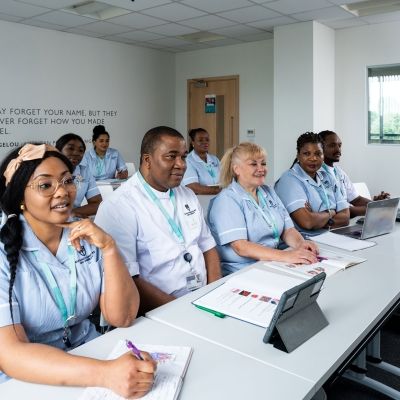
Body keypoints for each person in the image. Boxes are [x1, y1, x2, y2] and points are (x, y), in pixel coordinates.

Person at [0, 143, 155, 397]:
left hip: (91, 354)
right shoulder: (3, 252)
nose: (62, 192)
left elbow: (122, 317)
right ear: (20, 199)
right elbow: (10, 354)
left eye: (67, 180)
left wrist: (109, 248)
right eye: (45, 185)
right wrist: (106, 374)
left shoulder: (87, 237)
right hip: (29, 377)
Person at [95, 126, 221, 314]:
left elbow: (208, 247)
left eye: (184, 156)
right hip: (160, 311)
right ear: (147, 160)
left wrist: (213, 295)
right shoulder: (118, 206)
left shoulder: (187, 195)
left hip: (202, 301)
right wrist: (184, 312)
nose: (181, 164)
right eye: (171, 156)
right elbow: (128, 280)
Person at [207, 142, 318, 275]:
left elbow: (287, 230)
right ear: (236, 169)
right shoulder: (227, 200)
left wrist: (301, 244)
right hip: (243, 270)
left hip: (272, 261)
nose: (261, 169)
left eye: (263, 163)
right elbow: (241, 247)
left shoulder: (268, 192)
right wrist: (287, 256)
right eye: (253, 164)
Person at [275, 132, 350, 236]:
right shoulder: (289, 180)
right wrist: (332, 212)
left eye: (318, 153)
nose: (313, 158)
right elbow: (308, 222)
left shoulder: (327, 176)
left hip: (332, 235)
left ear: (323, 155)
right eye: (306, 153)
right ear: (298, 155)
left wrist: (318, 218)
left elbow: (346, 217)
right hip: (307, 241)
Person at [319, 130, 390, 217]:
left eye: (339, 145)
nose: (338, 150)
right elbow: (340, 210)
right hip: (337, 221)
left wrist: (378, 205)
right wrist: (375, 209)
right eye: (332, 145)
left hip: (349, 220)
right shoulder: (318, 174)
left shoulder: (339, 172)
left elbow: (356, 199)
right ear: (320, 148)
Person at [55, 133, 102, 218]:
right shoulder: (47, 171)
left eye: (81, 151)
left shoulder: (84, 172)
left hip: (73, 219)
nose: (76, 153)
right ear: (58, 151)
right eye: (70, 148)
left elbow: (97, 203)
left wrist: (71, 213)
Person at [182, 128, 221, 195]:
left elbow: (225, 178)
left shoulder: (214, 159)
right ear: (192, 142)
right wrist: (220, 190)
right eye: (200, 140)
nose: (205, 142)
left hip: (218, 198)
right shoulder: (188, 160)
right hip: (200, 200)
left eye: (207, 140)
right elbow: (193, 187)